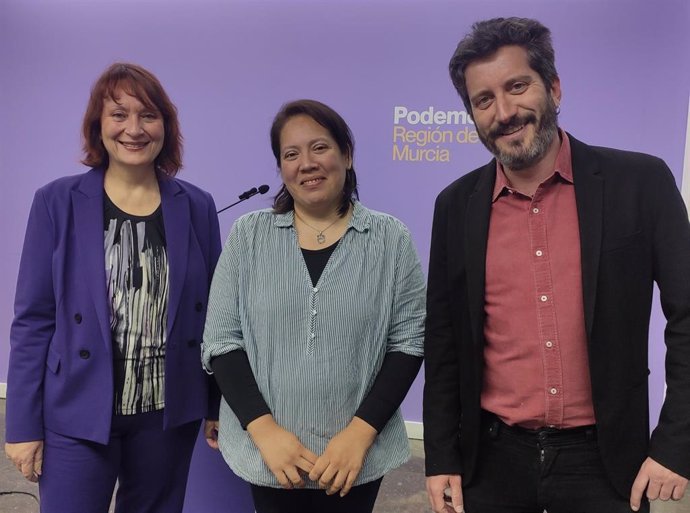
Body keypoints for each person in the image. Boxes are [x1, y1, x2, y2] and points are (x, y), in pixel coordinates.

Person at [423, 17, 690, 513]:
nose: (504, 112)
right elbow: (443, 340)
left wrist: (678, 441)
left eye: (517, 86)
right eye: (483, 100)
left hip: (608, 466)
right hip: (491, 464)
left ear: (555, 87)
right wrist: (441, 456)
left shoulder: (642, 183)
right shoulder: (454, 206)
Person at [4, 62, 222, 513]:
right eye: (118, 115)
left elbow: (216, 317)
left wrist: (216, 404)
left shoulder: (197, 206)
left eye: (148, 115)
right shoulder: (56, 202)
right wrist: (22, 425)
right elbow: (33, 320)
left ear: (166, 125)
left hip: (167, 414)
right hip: (77, 412)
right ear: (97, 127)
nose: (134, 129)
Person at [202, 99, 425, 513]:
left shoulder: (390, 239)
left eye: (319, 147)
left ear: (347, 154)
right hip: (268, 452)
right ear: (282, 168)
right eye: (291, 154)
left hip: (356, 454)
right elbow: (222, 340)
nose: (307, 163)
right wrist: (264, 430)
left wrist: (360, 433)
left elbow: (408, 342)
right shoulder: (249, 236)